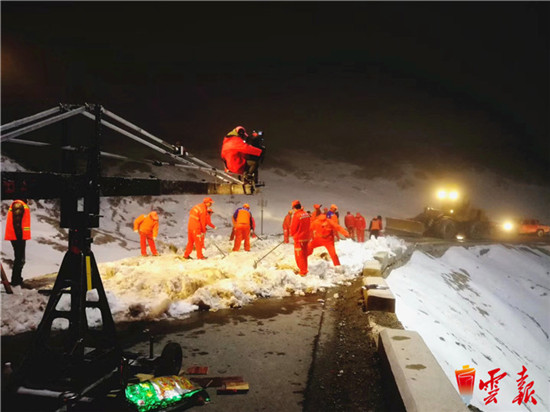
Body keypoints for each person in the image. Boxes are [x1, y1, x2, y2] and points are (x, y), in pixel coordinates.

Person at [4, 199, 31, 286]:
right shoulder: (19, 204)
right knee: (19, 259)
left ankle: (17, 280)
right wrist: (19, 237)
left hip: (18, 236)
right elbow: (17, 223)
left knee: (20, 259)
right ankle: (16, 281)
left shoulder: (19, 204)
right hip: (18, 237)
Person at [289, 200, 311, 276]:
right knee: (304, 254)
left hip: (299, 238)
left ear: (294, 207)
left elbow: (293, 227)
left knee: (299, 255)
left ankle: (303, 271)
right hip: (306, 237)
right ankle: (305, 269)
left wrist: (291, 234)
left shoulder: (297, 215)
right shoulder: (306, 214)